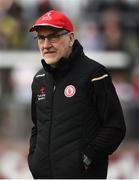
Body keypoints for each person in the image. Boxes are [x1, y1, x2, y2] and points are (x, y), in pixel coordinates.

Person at [28, 10, 126, 179]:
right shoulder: (39, 79)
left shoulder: (94, 73)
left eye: (53, 37)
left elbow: (115, 127)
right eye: (41, 38)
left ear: (71, 38)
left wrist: (86, 159)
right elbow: (37, 127)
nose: (46, 44)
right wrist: (35, 161)